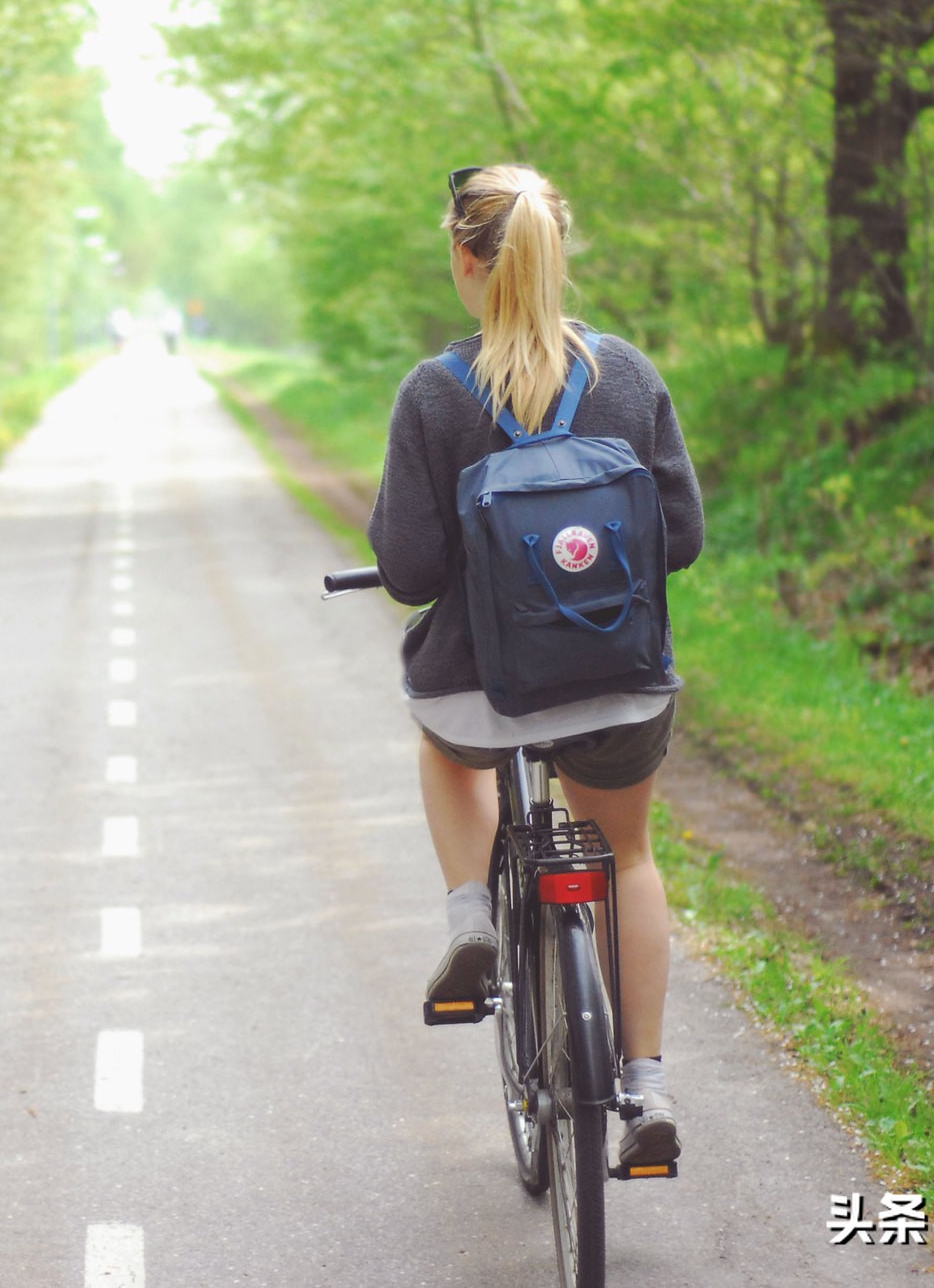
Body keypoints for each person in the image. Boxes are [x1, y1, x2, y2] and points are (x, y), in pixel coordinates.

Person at [365, 163, 704, 1166]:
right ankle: (643, 1089)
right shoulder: (627, 375)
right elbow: (677, 536)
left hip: (481, 695)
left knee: (442, 744)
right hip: (617, 686)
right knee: (626, 856)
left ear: (464, 261)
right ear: (560, 254)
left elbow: (410, 568)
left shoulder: (433, 392)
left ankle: (470, 913)